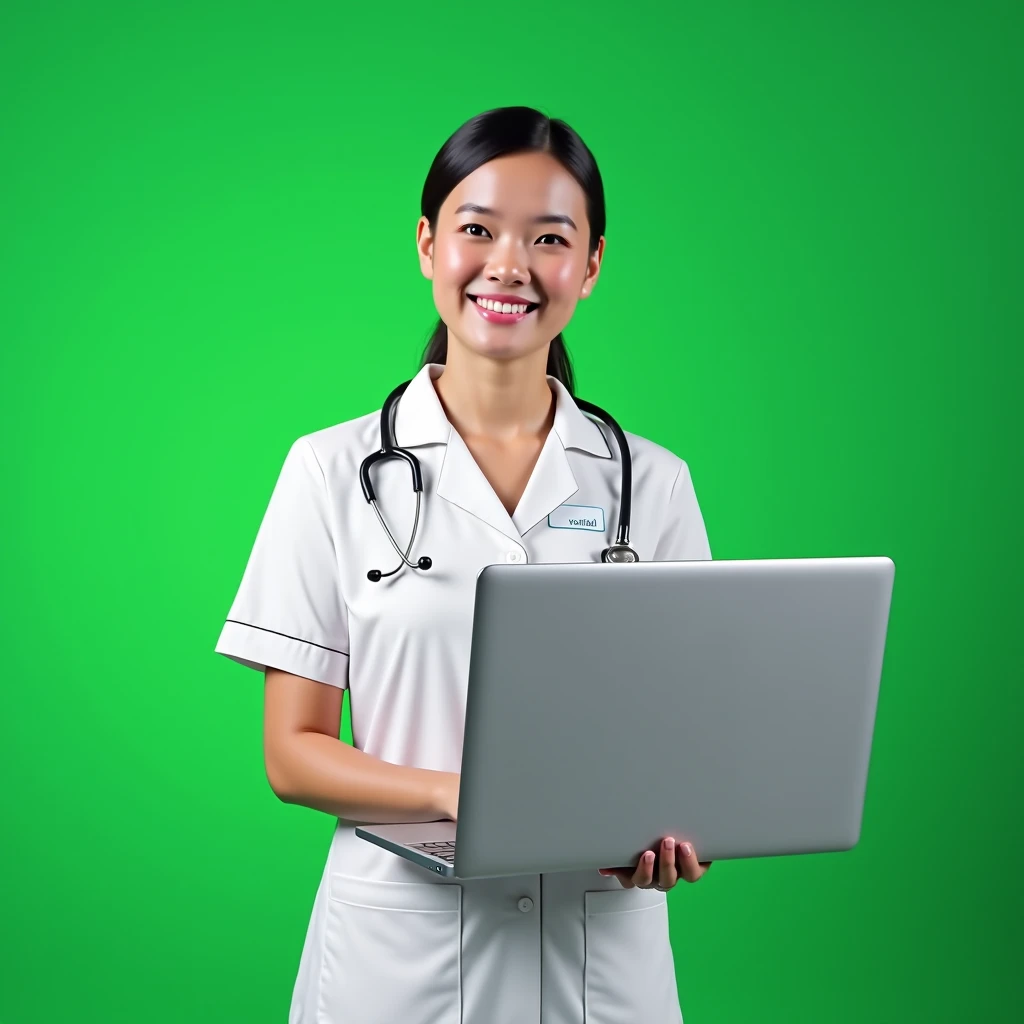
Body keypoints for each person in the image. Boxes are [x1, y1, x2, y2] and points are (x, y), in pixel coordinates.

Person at [215, 105, 713, 1024]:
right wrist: (467, 798)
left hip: (599, 955)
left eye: (550, 238)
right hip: (401, 957)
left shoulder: (655, 484)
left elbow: (680, 745)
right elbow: (294, 754)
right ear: (427, 244)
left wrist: (678, 825)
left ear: (592, 264)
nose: (509, 265)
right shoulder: (329, 471)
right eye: (476, 229)